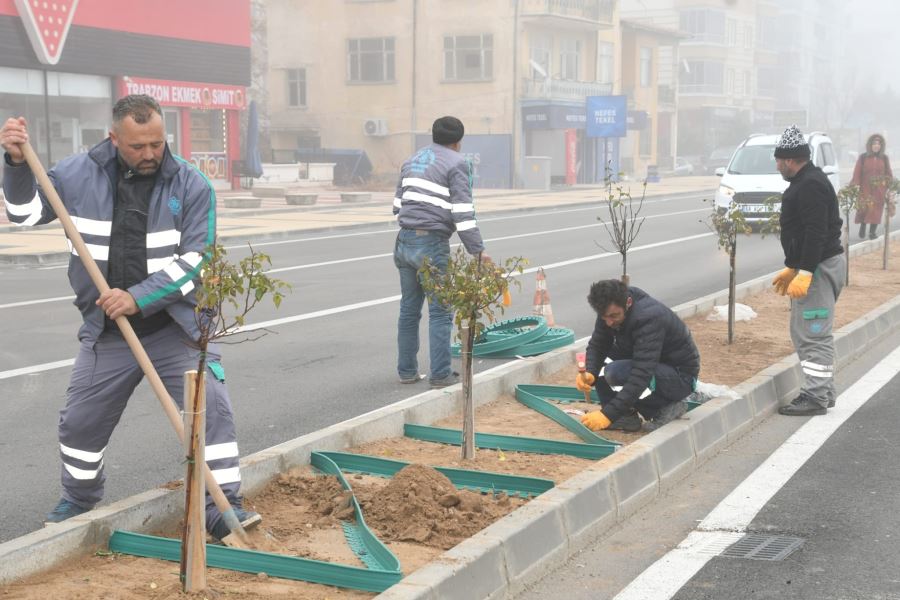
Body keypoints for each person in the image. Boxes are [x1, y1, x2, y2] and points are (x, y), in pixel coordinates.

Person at [0, 95, 259, 540]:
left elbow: (199, 258)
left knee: (210, 408)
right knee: (80, 422)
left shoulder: (190, 184)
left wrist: (137, 298)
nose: (150, 154)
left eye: (157, 144)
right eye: (138, 146)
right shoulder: (77, 174)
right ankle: (79, 499)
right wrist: (17, 164)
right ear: (114, 138)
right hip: (107, 332)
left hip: (174, 327)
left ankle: (221, 506)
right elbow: (22, 215)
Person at [393, 116, 489, 389]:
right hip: (431, 244)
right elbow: (462, 212)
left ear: (433, 136)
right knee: (440, 312)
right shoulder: (458, 163)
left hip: (403, 242)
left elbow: (398, 204)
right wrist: (478, 251)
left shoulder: (412, 160)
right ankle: (440, 375)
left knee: (409, 310)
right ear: (458, 142)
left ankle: (407, 371)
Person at [770, 124, 846, 416]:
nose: (777, 165)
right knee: (807, 331)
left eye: (778, 160)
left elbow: (816, 231)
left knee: (814, 334)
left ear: (790, 160)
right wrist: (793, 267)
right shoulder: (807, 181)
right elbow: (806, 231)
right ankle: (824, 391)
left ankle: (815, 396)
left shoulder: (810, 185)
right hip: (819, 266)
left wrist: (805, 271)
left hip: (819, 269)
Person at [576, 279, 700, 433]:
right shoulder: (609, 309)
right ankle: (624, 417)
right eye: (603, 317)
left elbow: (641, 374)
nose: (608, 322)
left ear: (627, 303)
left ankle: (663, 409)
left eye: (613, 316)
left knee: (616, 372)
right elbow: (598, 344)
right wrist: (591, 372)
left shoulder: (648, 318)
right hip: (655, 362)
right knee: (604, 360)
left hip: (681, 376)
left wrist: (607, 415)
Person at [851, 133, 892, 240]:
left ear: (881, 146)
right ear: (870, 145)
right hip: (865, 188)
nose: (876, 146)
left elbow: (888, 173)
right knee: (864, 208)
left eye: (879, 144)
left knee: (876, 211)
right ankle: (863, 225)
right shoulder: (863, 157)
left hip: (879, 190)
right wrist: (855, 184)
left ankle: (872, 233)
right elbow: (857, 172)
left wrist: (889, 186)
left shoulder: (884, 158)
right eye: (874, 143)